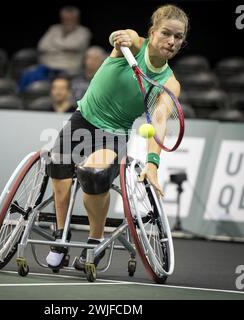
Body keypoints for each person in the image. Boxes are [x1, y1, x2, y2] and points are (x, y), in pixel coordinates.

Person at [45, 4, 188, 271]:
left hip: (114, 133)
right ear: (153, 31)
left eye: (178, 37)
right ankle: (59, 239)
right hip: (83, 118)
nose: (171, 41)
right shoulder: (135, 46)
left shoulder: (169, 84)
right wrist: (117, 38)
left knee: (94, 175)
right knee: (58, 163)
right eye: (166, 33)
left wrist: (153, 164)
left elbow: (157, 122)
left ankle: (95, 240)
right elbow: (121, 36)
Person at [38, 6, 92, 77]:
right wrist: (64, 49)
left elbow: (74, 46)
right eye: (66, 19)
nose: (68, 21)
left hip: (69, 68)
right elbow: (42, 46)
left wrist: (53, 44)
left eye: (71, 19)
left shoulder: (83, 31)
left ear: (77, 19)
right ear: (62, 19)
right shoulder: (54, 29)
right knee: (29, 74)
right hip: (47, 65)